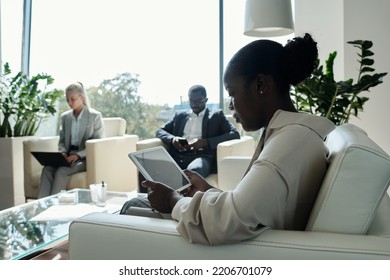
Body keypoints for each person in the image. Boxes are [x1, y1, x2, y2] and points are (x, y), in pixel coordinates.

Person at [140, 33, 336, 245]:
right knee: (138, 204)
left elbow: (228, 221)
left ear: (260, 85)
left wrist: (172, 200)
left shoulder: (289, 143)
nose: (231, 105)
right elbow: (250, 208)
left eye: (232, 93)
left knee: (133, 208)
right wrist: (208, 191)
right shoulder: (290, 135)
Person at [120, 84, 240, 211]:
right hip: (178, 155)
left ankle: (180, 206)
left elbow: (234, 134)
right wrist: (173, 139)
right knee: (146, 168)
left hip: (201, 156)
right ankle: (147, 204)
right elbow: (160, 131)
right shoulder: (180, 115)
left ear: (206, 100)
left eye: (198, 100)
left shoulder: (216, 115)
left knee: (193, 170)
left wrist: (205, 142)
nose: (194, 104)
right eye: (192, 101)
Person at [38, 82, 105, 198]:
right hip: (67, 156)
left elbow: (98, 142)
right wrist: (63, 152)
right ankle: (40, 205)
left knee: (62, 171)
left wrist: (78, 155)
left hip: (84, 158)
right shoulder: (65, 117)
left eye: (72, 99)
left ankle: (54, 205)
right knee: (47, 169)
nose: (69, 103)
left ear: (82, 98)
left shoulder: (95, 116)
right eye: (67, 99)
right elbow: (62, 140)